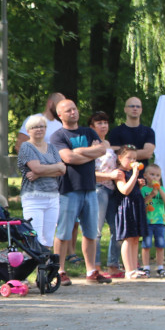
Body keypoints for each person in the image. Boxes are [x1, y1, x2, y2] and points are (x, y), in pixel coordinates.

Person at [49, 99, 112, 285]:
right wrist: (88, 152)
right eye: (68, 111)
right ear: (60, 115)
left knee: (91, 232)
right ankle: (59, 271)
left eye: (74, 109)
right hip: (68, 190)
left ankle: (91, 271)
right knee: (64, 232)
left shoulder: (89, 131)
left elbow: (102, 150)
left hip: (90, 189)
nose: (73, 113)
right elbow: (68, 157)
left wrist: (79, 152)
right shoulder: (57, 136)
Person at [16, 114, 66, 249]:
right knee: (35, 237)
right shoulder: (26, 147)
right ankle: (33, 266)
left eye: (42, 126)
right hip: (34, 197)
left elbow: (63, 170)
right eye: (35, 127)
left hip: (53, 197)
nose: (39, 129)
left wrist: (40, 173)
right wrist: (51, 169)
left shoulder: (51, 147)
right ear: (28, 131)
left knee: (49, 238)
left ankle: (45, 268)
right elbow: (36, 168)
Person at [88, 112, 124, 278]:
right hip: (98, 189)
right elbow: (89, 172)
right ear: (92, 127)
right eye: (99, 123)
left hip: (113, 189)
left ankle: (113, 264)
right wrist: (110, 176)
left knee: (117, 228)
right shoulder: (90, 145)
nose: (103, 125)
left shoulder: (108, 143)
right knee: (96, 229)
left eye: (105, 122)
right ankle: (95, 266)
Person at [113, 146, 148, 279]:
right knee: (128, 238)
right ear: (120, 158)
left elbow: (133, 188)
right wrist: (134, 175)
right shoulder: (120, 173)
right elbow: (124, 190)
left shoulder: (131, 174)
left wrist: (138, 184)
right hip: (126, 208)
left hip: (137, 206)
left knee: (135, 238)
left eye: (135, 158)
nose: (132, 161)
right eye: (129, 158)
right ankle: (128, 269)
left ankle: (134, 268)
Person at [140, 164, 165, 277]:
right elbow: (142, 203)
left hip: (160, 221)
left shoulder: (161, 189)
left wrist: (159, 190)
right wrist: (152, 194)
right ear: (145, 176)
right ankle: (146, 267)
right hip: (148, 221)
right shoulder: (144, 189)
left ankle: (160, 267)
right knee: (146, 245)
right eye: (152, 174)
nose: (154, 178)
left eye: (157, 175)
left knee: (160, 245)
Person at [108, 97, 156, 167]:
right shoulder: (115, 132)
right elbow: (114, 154)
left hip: (143, 175)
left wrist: (125, 154)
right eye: (132, 106)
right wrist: (141, 153)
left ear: (141, 110)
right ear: (125, 109)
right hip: (121, 175)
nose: (135, 108)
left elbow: (147, 153)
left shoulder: (149, 131)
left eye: (138, 106)